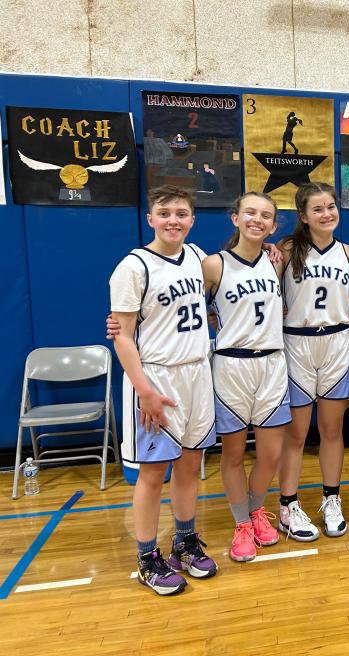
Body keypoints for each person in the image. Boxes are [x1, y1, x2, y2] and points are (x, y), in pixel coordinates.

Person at [110, 185, 218, 595]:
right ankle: (146, 557)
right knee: (153, 473)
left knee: (191, 465)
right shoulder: (133, 267)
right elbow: (122, 336)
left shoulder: (196, 256)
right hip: (155, 377)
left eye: (181, 213)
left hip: (196, 373)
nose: (173, 220)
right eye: (165, 212)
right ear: (150, 218)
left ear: (192, 219)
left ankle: (185, 543)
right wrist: (144, 391)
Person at [207, 192, 291, 562]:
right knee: (234, 453)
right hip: (231, 366)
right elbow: (183, 309)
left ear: (273, 225)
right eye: (250, 213)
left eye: (266, 216)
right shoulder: (213, 265)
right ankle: (241, 524)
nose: (257, 220)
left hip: (273, 362)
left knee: (271, 454)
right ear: (235, 218)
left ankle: (257, 511)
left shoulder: (276, 262)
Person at [276, 183, 349, 539]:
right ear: (303, 217)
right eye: (318, 209)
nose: (327, 214)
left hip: (337, 341)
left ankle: (331, 498)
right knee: (297, 433)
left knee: (332, 430)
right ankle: (288, 504)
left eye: (331, 207)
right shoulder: (287, 251)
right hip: (299, 343)